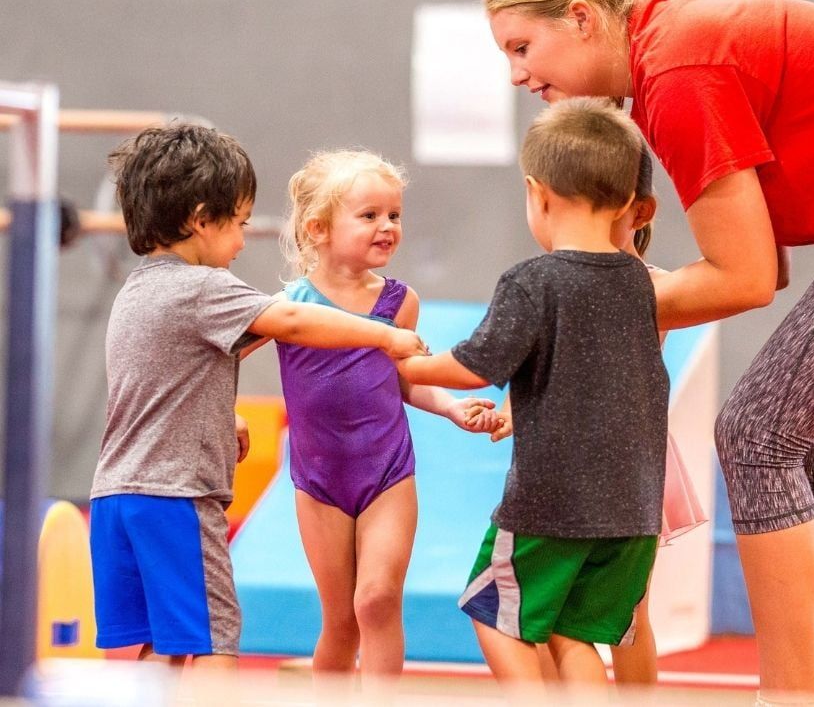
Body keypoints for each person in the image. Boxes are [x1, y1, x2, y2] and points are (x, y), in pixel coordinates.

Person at [483, 0, 814, 707]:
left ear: (585, 17)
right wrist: (629, 308)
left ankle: (786, 696)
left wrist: (585, 305)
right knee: (810, 466)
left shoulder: (677, 73)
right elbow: (763, 261)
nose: (519, 74)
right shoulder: (674, 55)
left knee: (758, 437)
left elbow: (746, 278)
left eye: (524, 47)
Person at [89, 124, 427, 670]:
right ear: (201, 220)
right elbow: (291, 319)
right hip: (179, 497)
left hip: (114, 496)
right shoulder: (205, 288)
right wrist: (384, 334)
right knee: (213, 643)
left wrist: (226, 416)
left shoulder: (137, 292)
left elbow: (160, 380)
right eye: (240, 224)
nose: (244, 241)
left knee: (154, 648)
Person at [399, 97, 668, 687]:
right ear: (630, 203)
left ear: (536, 192)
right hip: (635, 506)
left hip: (553, 504)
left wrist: (404, 363)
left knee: (493, 612)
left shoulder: (533, 280)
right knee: (575, 634)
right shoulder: (642, 285)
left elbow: (477, 365)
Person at [265, 149, 503, 680]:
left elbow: (406, 378)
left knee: (376, 599)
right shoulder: (289, 307)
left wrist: (451, 406)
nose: (387, 227)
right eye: (369, 215)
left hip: (386, 473)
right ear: (319, 228)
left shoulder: (399, 303)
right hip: (319, 480)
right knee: (340, 621)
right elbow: (223, 351)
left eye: (394, 215)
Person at [476, 144, 707, 687]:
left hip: (614, 460)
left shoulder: (643, 283)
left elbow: (581, 362)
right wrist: (512, 403)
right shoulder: (608, 282)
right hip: (618, 461)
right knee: (569, 617)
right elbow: (550, 361)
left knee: (624, 617)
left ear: (634, 214)